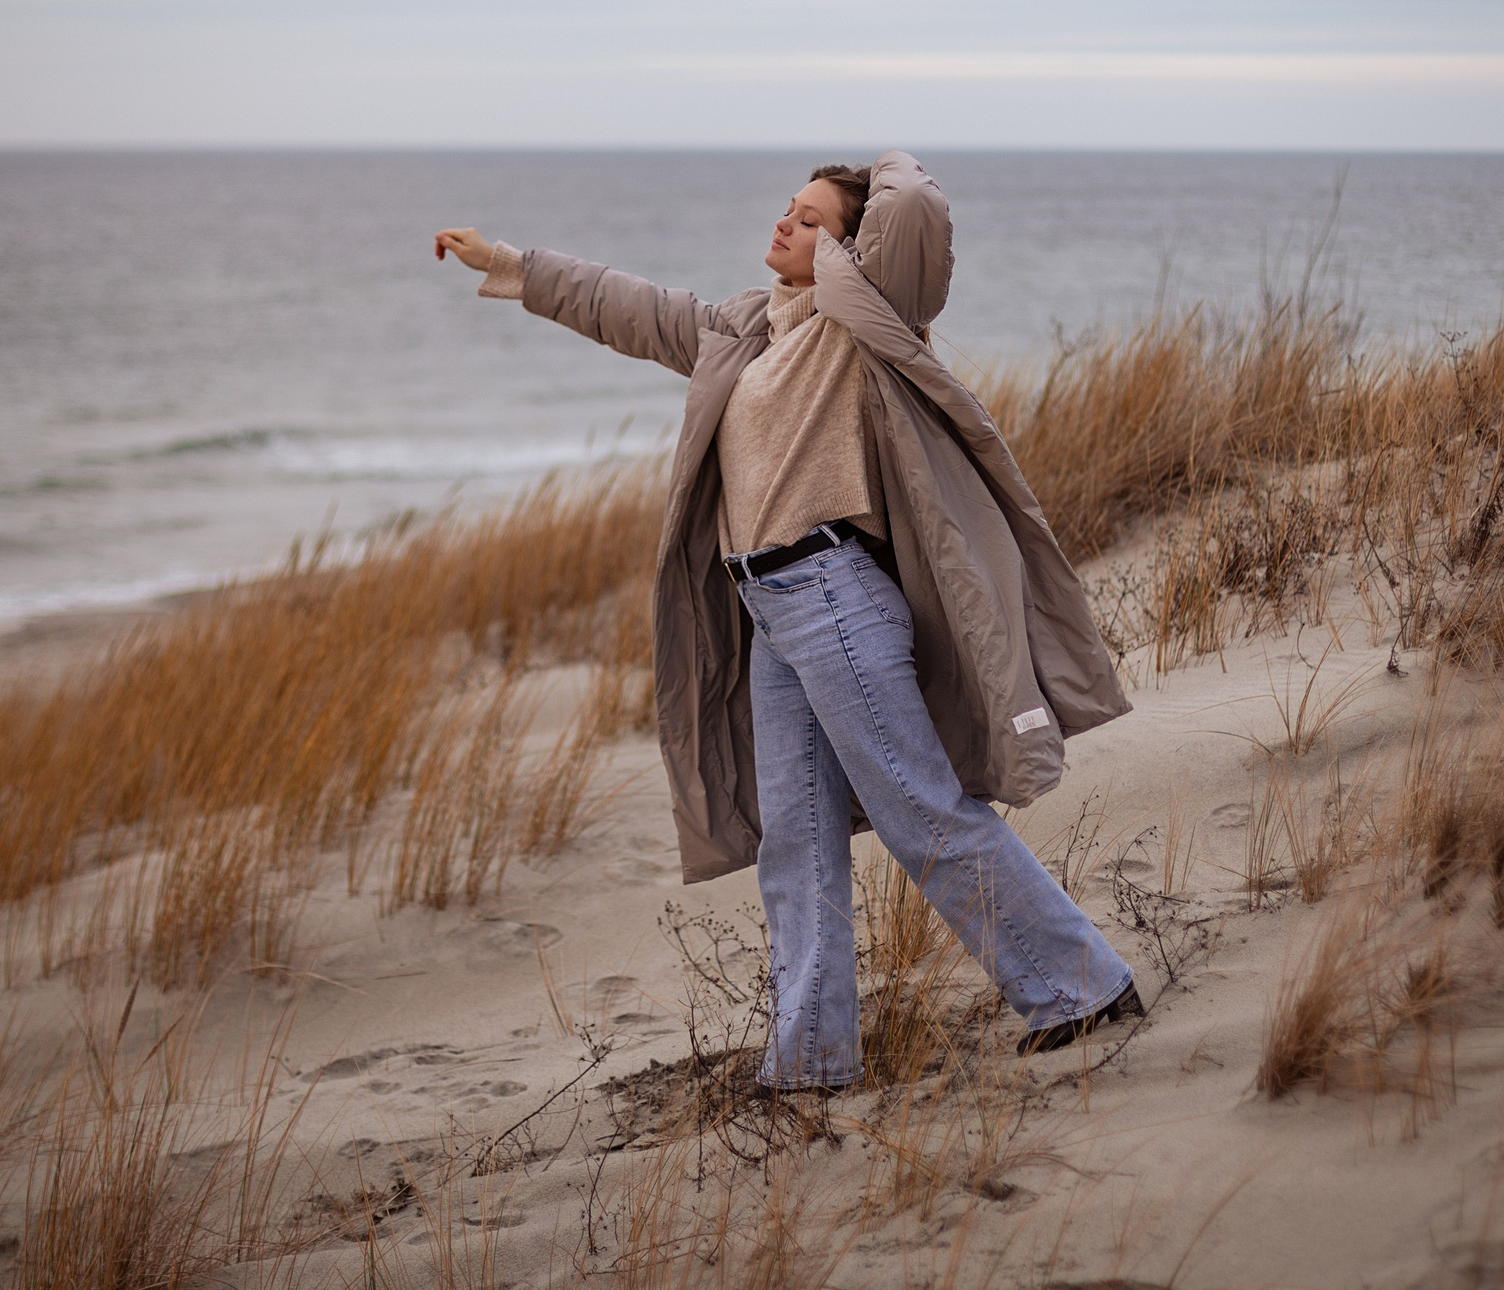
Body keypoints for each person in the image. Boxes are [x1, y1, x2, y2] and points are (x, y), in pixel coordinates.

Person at [433, 153, 1141, 1090]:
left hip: (836, 598)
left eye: (810, 220)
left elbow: (915, 207)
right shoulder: (745, 329)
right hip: (769, 609)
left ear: (852, 249)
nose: (784, 226)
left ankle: (1081, 985)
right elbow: (629, 305)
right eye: (786, 209)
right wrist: (514, 261)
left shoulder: (873, 324)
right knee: (795, 841)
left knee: (920, 809)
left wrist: (874, 169)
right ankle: (811, 1056)